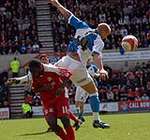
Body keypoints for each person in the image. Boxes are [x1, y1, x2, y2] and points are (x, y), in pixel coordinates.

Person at [49, 0, 111, 128]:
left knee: (50, 75)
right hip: (77, 66)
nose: (106, 37)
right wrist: (102, 69)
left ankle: (28, 78)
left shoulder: (83, 26)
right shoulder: (99, 40)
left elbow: (68, 15)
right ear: (103, 31)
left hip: (65, 60)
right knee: (93, 92)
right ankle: (96, 120)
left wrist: (57, 4)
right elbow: (96, 55)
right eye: (107, 35)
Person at [29, 60, 75, 140]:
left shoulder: (51, 68)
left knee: (65, 119)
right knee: (52, 124)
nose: (35, 74)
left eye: (35, 71)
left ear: (40, 67)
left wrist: (61, 87)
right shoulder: (33, 73)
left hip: (59, 96)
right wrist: (43, 88)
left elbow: (67, 73)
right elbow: (34, 90)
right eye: (33, 72)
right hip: (47, 100)